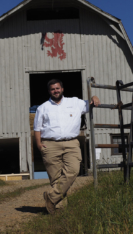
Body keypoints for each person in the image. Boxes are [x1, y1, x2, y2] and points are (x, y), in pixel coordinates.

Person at [34, 79, 100, 214]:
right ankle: (57, 208)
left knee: (73, 170)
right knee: (56, 178)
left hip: (71, 143)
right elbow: (37, 128)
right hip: (50, 144)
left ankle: (51, 198)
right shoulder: (43, 108)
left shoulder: (75, 102)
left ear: (62, 89)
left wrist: (94, 97)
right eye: (52, 89)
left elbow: (91, 104)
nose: (55, 91)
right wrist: (39, 145)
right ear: (49, 91)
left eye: (57, 88)